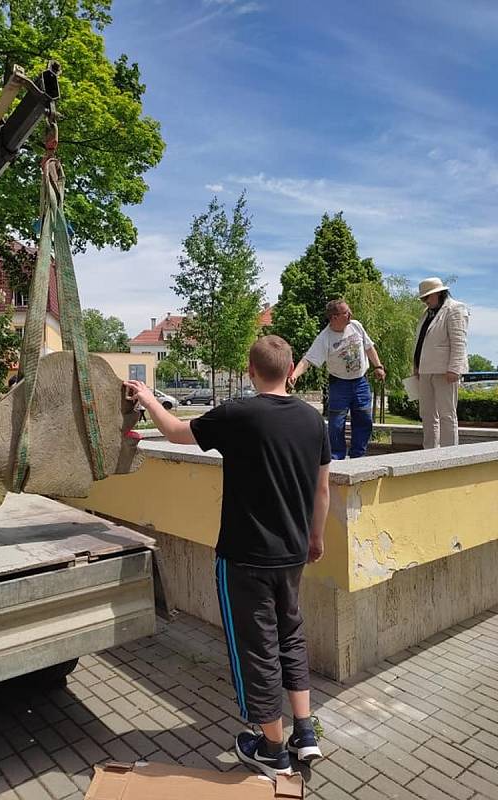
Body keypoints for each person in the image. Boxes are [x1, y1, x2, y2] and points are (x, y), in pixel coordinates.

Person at [125, 334, 330, 779]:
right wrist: (315, 539)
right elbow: (323, 488)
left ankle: (272, 749)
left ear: (252, 370)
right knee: (290, 636)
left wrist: (145, 397)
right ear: (291, 366)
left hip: (245, 557)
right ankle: (304, 732)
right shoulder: (314, 421)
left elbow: (178, 432)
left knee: (256, 649)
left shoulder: (239, 414)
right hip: (293, 554)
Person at [289, 299, 385, 460]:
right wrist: (294, 375)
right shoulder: (324, 338)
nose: (350, 314)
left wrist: (378, 366)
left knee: (364, 419)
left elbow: (369, 347)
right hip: (339, 384)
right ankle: (336, 458)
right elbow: (308, 359)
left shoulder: (356, 326)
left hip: (361, 381)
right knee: (336, 424)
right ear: (334, 317)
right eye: (346, 312)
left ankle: (358, 457)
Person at [414, 277, 469, 448]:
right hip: (425, 370)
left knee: (447, 414)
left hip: (445, 371)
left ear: (438, 293)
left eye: (427, 297)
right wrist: (416, 366)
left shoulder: (455, 309)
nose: (425, 301)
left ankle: (449, 454)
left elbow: (459, 341)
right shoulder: (426, 314)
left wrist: (455, 368)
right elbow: (421, 341)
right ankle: (429, 452)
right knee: (427, 414)